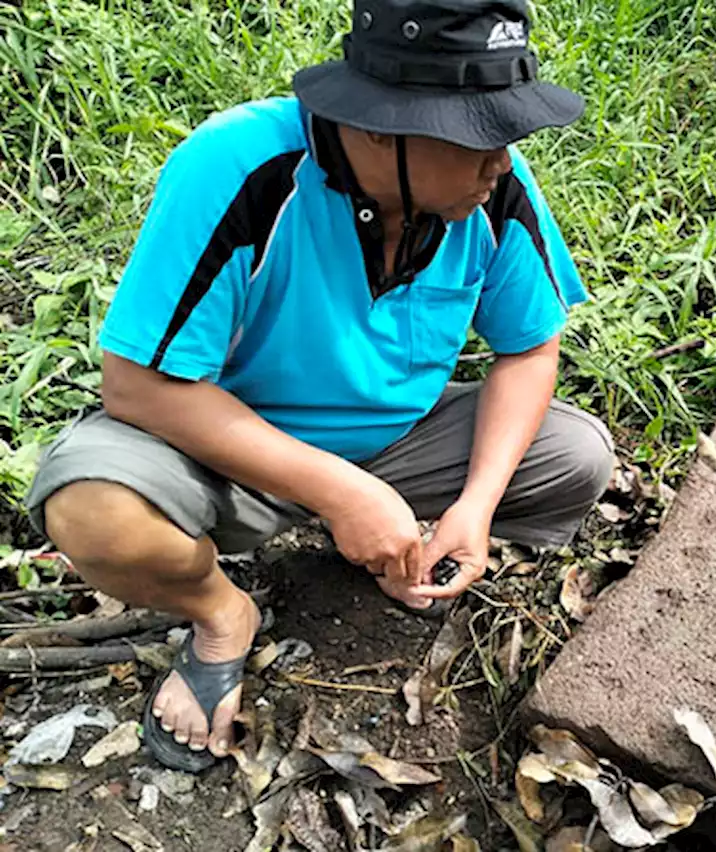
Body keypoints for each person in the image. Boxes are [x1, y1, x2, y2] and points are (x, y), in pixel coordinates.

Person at [22, 0, 613, 773]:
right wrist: (337, 492)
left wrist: (473, 507)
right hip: (231, 456)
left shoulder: (490, 189)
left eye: (506, 136)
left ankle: (402, 542)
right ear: (378, 124)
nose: (500, 162)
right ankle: (221, 613)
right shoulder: (239, 168)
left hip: (395, 444)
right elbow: (135, 387)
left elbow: (531, 350)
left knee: (577, 452)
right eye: (479, 139)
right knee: (93, 509)